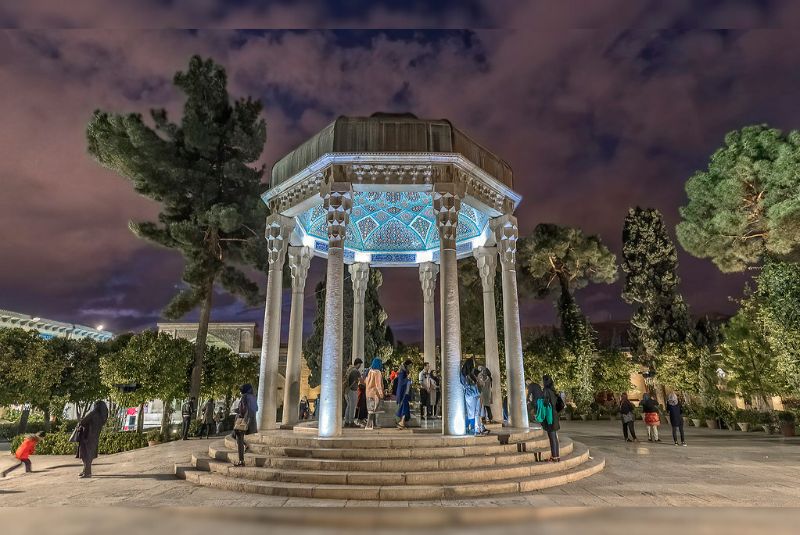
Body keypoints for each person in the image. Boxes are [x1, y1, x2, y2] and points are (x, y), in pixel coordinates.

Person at [75, 400, 109, 478]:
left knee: (85, 455)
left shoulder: (93, 414)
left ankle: (87, 473)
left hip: (86, 436)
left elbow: (82, 422)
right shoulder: (102, 416)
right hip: (94, 437)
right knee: (89, 456)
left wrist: (81, 420)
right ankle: (85, 470)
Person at [233, 383, 258, 467]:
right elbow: (256, 409)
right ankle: (246, 445)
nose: (241, 391)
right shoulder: (253, 397)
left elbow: (243, 410)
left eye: (241, 389)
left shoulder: (244, 397)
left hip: (243, 420)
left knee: (238, 438)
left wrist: (238, 412)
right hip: (251, 421)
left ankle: (241, 460)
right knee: (235, 436)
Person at [461, 358, 488, 436]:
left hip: (476, 394)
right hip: (471, 395)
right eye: (473, 364)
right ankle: (476, 429)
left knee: (477, 412)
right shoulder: (465, 375)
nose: (474, 365)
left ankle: (479, 429)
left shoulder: (471, 373)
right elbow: (466, 385)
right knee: (473, 413)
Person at [542, 375, 563, 462]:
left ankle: (554, 457)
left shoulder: (546, 390)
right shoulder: (553, 391)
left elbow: (546, 403)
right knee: (554, 437)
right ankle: (556, 456)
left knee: (552, 437)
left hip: (550, 416)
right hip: (555, 415)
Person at [364, 357, 384, 430]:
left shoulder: (369, 371)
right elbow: (378, 384)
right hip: (375, 393)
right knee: (372, 410)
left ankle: (373, 424)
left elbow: (365, 382)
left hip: (368, 392)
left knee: (371, 409)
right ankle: (368, 425)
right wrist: (381, 393)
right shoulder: (377, 372)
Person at [344, 358, 363, 428]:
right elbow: (361, 380)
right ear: (358, 364)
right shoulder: (356, 371)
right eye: (360, 365)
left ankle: (346, 422)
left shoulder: (350, 369)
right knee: (353, 407)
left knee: (348, 406)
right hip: (352, 390)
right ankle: (351, 422)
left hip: (347, 390)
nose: (360, 366)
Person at [395, 359, 413, 429]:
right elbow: (401, 383)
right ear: (407, 365)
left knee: (405, 408)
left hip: (406, 393)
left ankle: (402, 423)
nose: (411, 367)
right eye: (410, 366)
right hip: (403, 393)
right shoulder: (402, 372)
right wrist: (408, 378)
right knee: (404, 408)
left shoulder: (406, 372)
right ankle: (401, 423)